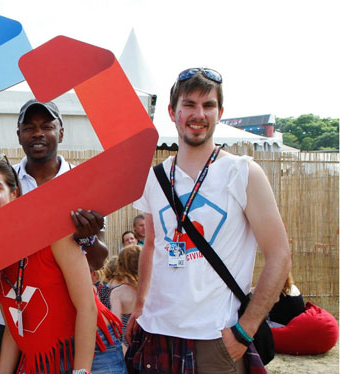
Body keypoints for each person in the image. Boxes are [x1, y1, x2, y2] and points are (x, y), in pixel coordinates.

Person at [125, 67, 291, 374]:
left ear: (220, 112)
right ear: (173, 112)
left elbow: (279, 255)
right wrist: (140, 306)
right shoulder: (154, 178)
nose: (198, 114)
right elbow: (151, 245)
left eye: (208, 105)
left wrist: (244, 332)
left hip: (215, 338)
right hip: (157, 332)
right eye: (189, 104)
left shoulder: (243, 173)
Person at [0, 156, 124, 374]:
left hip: (93, 350)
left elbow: (86, 306)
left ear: (14, 193)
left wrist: (81, 371)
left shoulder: (53, 232)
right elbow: (15, 321)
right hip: (42, 357)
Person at [0, 99, 110, 374]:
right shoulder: (4, 185)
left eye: (47, 126)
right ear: (18, 134)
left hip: (75, 321)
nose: (38, 133)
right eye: (29, 127)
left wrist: (87, 238)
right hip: (16, 324)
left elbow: (100, 259)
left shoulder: (82, 184)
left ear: (61, 132)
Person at [110, 245, 140, 353]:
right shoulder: (151, 289)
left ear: (121, 267)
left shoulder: (118, 293)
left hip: (127, 346)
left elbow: (115, 326)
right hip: (149, 344)